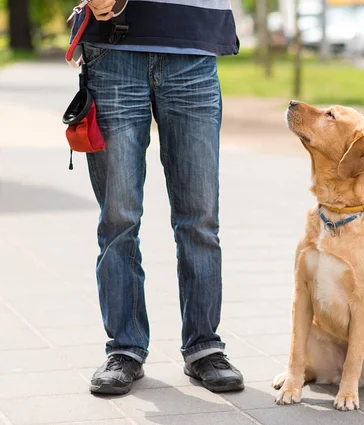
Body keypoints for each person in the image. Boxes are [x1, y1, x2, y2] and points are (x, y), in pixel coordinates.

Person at [69, 0, 244, 395]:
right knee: (118, 218)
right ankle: (125, 349)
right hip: (113, 49)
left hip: (193, 44)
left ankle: (204, 346)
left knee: (199, 217)